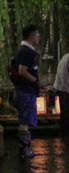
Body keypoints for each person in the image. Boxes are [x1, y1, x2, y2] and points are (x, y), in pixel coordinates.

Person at [13, 25, 45, 158]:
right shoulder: (27, 51)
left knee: (24, 120)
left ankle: (26, 149)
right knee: (25, 122)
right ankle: (25, 151)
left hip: (22, 90)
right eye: (37, 35)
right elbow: (22, 71)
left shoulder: (26, 50)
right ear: (31, 36)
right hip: (26, 91)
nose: (38, 37)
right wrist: (36, 82)